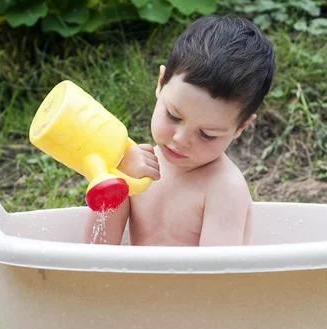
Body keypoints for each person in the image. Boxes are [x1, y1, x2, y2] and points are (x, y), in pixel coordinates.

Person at [84, 15, 275, 246]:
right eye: (173, 116)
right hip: (141, 283)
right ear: (161, 82)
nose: (181, 139)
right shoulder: (135, 166)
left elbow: (217, 278)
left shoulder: (224, 188)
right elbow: (96, 251)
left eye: (207, 134)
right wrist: (116, 181)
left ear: (241, 127)